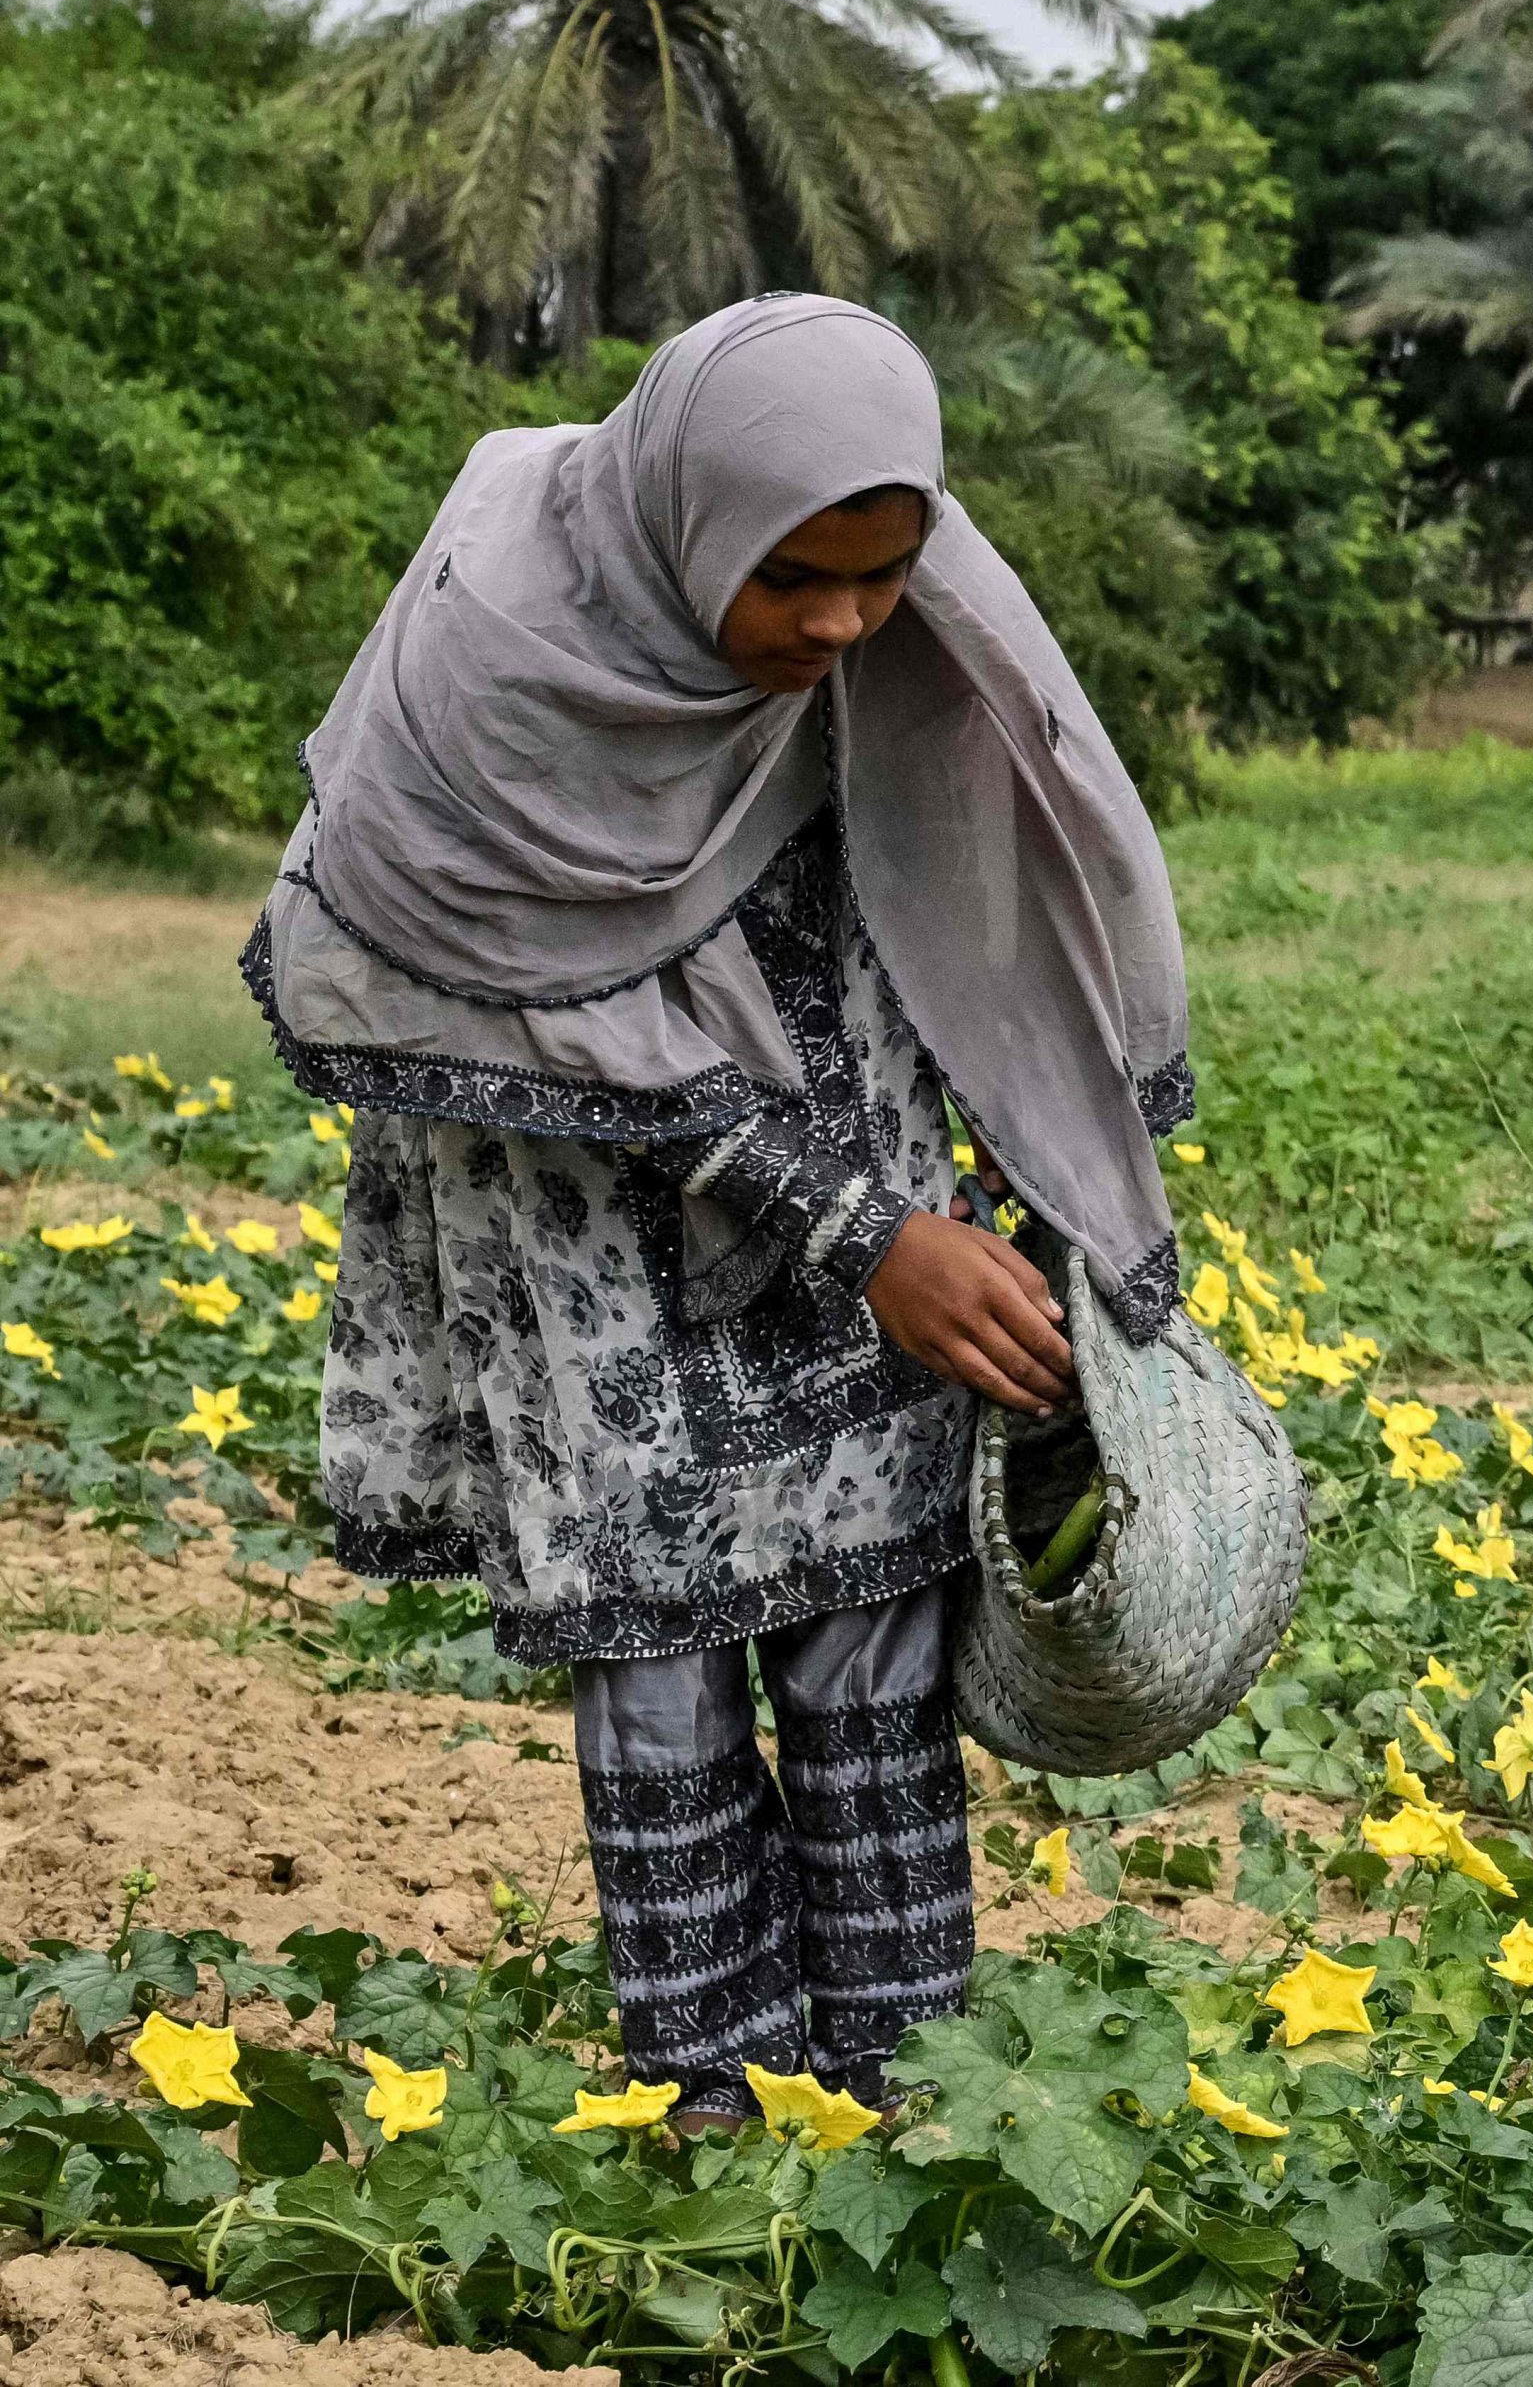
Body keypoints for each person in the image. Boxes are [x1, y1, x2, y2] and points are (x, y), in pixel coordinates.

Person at [246, 295, 1194, 2122]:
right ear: (695, 524)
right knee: (664, 1655)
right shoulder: (500, 646)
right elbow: (470, 976)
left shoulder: (898, 629)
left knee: (875, 1632)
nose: (843, 623)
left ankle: (904, 2120)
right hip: (592, 1240)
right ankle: (715, 2124)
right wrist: (859, 1229)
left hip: (877, 1240)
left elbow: (999, 889)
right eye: (795, 581)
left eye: (883, 573)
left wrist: (1020, 1179)